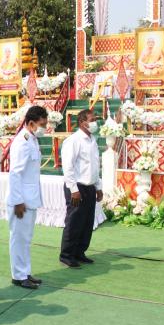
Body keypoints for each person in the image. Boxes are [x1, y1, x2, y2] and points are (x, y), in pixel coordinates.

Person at [7, 106, 48, 290]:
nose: (44, 128)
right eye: (42, 124)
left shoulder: (32, 139)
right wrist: (17, 201)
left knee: (26, 238)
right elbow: (15, 173)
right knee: (18, 238)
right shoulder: (22, 142)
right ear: (31, 124)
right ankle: (18, 275)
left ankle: (25, 272)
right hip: (21, 201)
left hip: (29, 198)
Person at [60, 109, 103, 268]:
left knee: (86, 222)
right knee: (74, 222)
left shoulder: (92, 140)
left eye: (95, 119)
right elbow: (68, 167)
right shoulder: (74, 140)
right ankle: (66, 254)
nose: (95, 122)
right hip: (77, 187)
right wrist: (73, 189)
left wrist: (98, 186)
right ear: (82, 122)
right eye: (92, 120)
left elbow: (95, 165)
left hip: (90, 186)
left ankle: (80, 252)